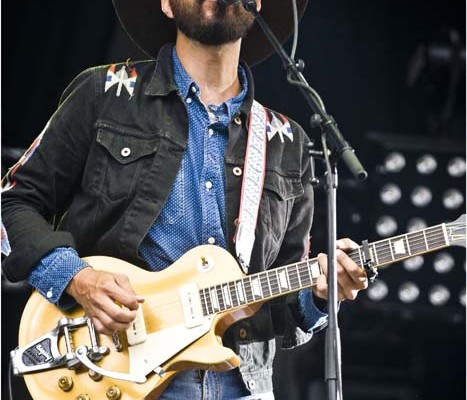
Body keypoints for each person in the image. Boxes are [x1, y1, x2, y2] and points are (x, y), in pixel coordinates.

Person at [1, 0, 368, 398]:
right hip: (112, 371)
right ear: (166, 4)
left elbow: (281, 304)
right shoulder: (105, 93)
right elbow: (11, 204)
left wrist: (320, 294)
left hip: (239, 385)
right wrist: (77, 278)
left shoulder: (286, 141)